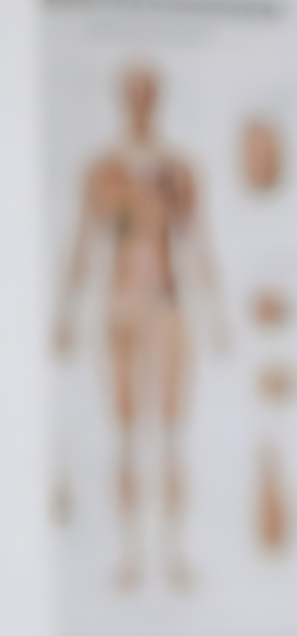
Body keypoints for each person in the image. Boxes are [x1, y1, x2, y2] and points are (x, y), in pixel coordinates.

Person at [52, 62, 227, 592]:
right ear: (121, 98)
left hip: (168, 302)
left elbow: (198, 242)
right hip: (121, 302)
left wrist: (217, 314)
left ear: (159, 98)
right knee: (126, 435)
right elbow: (83, 241)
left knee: (171, 434)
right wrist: (64, 312)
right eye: (133, 92)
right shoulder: (103, 169)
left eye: (148, 92)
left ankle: (173, 554)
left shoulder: (179, 169)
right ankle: (130, 555)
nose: (141, 101)